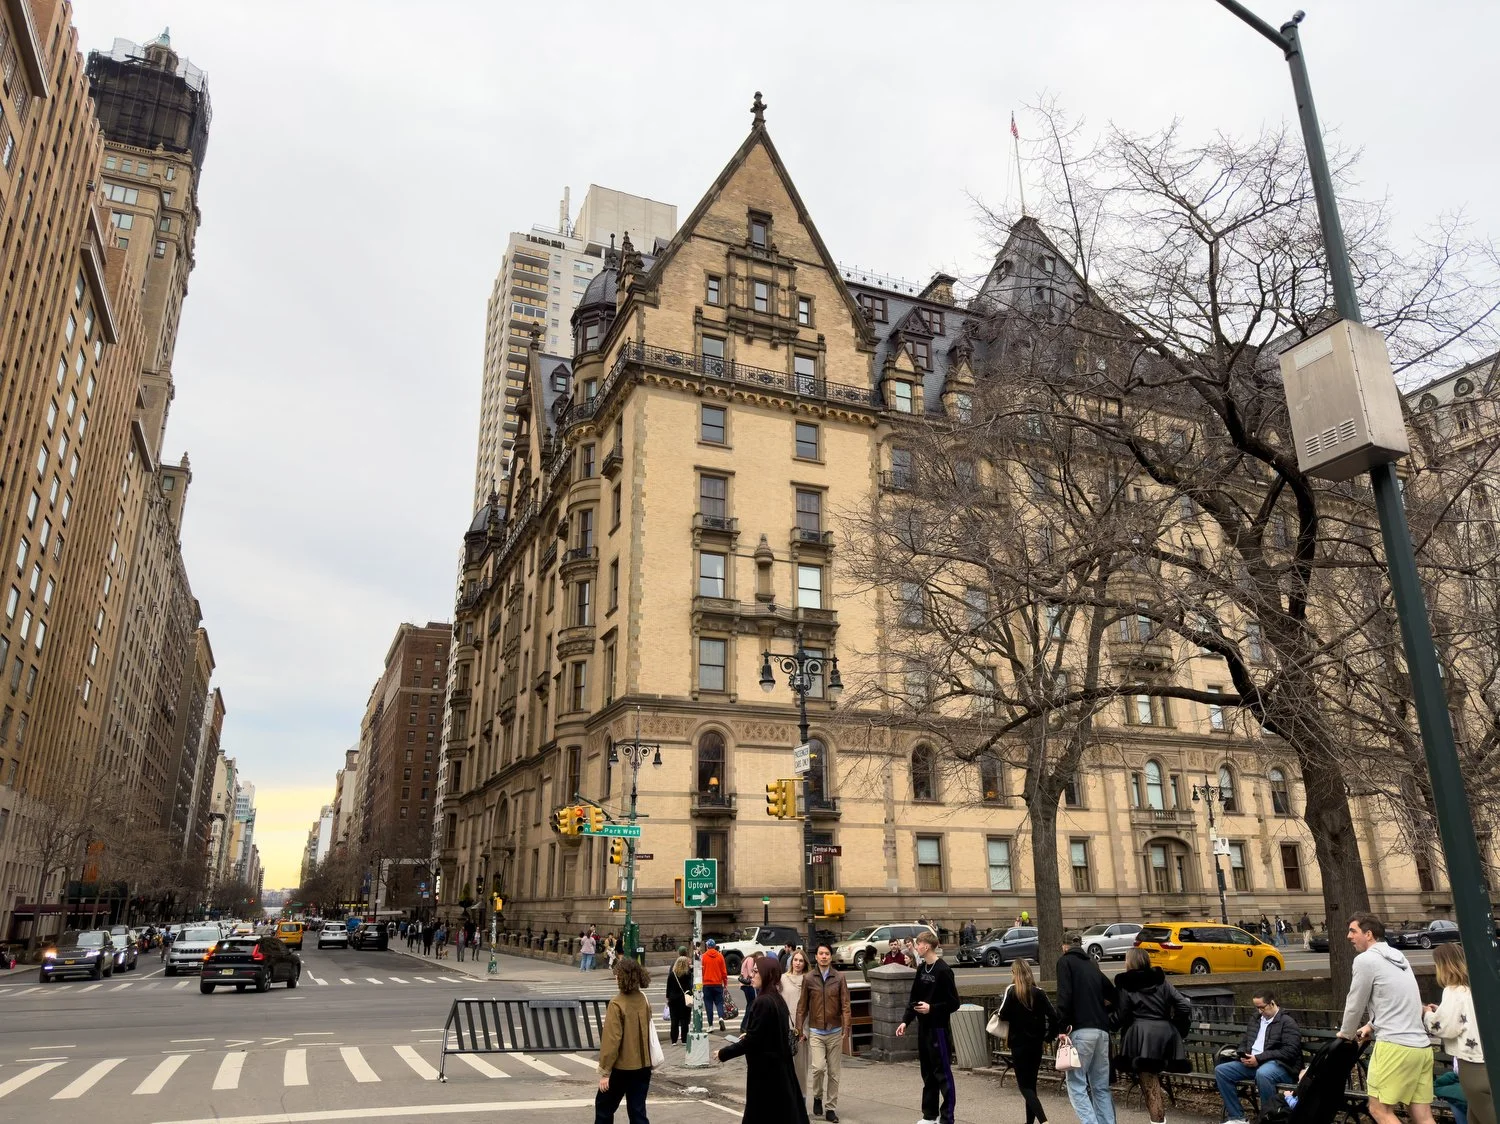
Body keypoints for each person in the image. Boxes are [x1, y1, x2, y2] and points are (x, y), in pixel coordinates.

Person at [1339, 913, 1436, 1124]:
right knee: (1423, 1115)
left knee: (1379, 1109)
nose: (1348, 936)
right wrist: (1371, 1025)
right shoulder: (1399, 957)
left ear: (1369, 934)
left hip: (1394, 1046)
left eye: (1353, 931)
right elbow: (1400, 1001)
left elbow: (1355, 1001)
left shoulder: (1365, 960)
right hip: (1421, 1048)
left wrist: (1346, 1034)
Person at [716, 955, 809, 1124]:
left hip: (766, 1073)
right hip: (778, 1070)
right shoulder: (775, 998)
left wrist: (724, 1053)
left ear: (767, 974)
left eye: (756, 971)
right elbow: (769, 1032)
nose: (751, 975)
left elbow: (753, 1040)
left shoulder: (763, 1001)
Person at [1113, 948, 1192, 1124]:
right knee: (1151, 1080)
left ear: (1130, 962)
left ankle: (1158, 1121)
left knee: (1149, 1084)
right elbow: (1184, 1006)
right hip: (1165, 1033)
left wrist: (1109, 1023)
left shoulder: (1126, 984)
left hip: (1141, 1035)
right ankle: (1158, 1120)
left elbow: (1123, 1013)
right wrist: (1174, 1025)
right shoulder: (1161, 982)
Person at [897, 929, 959, 1124]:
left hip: (938, 1028)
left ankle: (947, 1117)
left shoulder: (943, 970)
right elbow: (914, 998)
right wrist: (905, 1021)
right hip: (924, 1028)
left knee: (942, 1074)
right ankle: (929, 1115)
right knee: (927, 1073)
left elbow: (953, 1003)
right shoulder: (922, 969)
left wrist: (932, 1008)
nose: (916, 946)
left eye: (918, 943)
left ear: (928, 946)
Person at [1426, 943, 1493, 1124]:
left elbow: (1444, 1028)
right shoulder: (1480, 989)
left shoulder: (1454, 991)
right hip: (1490, 1063)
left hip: (1472, 1067)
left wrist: (1428, 1014)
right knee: (1476, 1117)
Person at [1213, 989, 1302, 1124]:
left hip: (1280, 1066)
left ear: (1272, 1003)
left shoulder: (1287, 1022)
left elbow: (1289, 1051)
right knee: (1222, 1071)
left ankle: (1269, 1117)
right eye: (1257, 1007)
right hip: (1253, 1062)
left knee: (1263, 1074)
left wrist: (1259, 1058)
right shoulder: (1255, 1019)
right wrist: (1243, 1054)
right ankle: (1237, 1117)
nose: (1259, 1011)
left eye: (1262, 1007)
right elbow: (1245, 1041)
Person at [1056, 931, 1118, 1124]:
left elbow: (1064, 996)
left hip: (1080, 1030)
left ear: (1064, 946)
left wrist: (1061, 1027)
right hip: (1101, 1030)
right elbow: (1114, 996)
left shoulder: (1065, 962)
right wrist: (1102, 1007)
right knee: (1100, 1086)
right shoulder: (1092, 965)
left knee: (1076, 1083)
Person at [999, 957, 1058, 1124]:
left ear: (1015, 973)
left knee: (1024, 1086)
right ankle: (1029, 1122)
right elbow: (1053, 1017)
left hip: (1018, 1044)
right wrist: (1048, 1036)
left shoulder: (1011, 992)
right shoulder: (1039, 992)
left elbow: (1002, 1014)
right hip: (1036, 1044)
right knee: (1031, 1085)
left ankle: (1043, 1120)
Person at [596, 956, 654, 1124]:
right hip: (643, 1066)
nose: (615, 977)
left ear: (622, 977)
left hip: (622, 1067)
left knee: (603, 1107)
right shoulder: (643, 999)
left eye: (617, 974)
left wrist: (605, 1072)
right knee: (637, 1111)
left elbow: (611, 1041)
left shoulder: (616, 1004)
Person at [797, 943, 851, 1123]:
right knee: (818, 1068)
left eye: (827, 953)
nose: (824, 956)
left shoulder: (839, 977)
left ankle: (831, 1108)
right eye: (821, 953)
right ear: (817, 957)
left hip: (835, 1031)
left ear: (831, 957)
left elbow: (845, 1005)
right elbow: (801, 1007)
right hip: (816, 1032)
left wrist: (846, 1027)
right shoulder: (809, 978)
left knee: (834, 1073)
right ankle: (818, 1096)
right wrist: (799, 1029)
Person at [781, 948, 810, 1097]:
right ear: (791, 962)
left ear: (805, 963)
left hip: (801, 1031)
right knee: (785, 1068)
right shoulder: (782, 979)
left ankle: (802, 1100)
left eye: (801, 960)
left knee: (800, 1069)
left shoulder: (809, 980)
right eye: (795, 960)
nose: (798, 963)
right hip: (785, 1029)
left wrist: (805, 1031)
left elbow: (810, 1009)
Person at [666, 946, 693, 1045]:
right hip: (685, 999)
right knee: (685, 1019)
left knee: (674, 1020)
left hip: (673, 999)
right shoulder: (687, 974)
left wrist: (668, 998)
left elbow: (668, 988)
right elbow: (690, 987)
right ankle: (684, 1040)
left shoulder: (672, 974)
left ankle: (674, 1040)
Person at [701, 938, 729, 1032]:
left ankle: (710, 1025)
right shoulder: (720, 956)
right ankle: (721, 1018)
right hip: (717, 984)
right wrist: (725, 983)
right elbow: (724, 972)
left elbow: (701, 971)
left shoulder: (703, 957)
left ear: (707, 946)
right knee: (719, 1003)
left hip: (707, 984)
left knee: (709, 1005)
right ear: (714, 946)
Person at [738, 955, 758, 1031]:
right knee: (750, 1005)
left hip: (745, 985)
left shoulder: (747, 959)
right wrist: (756, 974)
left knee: (750, 1004)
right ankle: (744, 1025)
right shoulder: (751, 959)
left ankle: (744, 1025)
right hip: (748, 985)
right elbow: (750, 973)